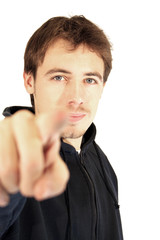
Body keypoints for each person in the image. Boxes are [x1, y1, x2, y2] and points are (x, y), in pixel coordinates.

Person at [0, 16, 123, 240]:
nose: (76, 97)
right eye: (59, 77)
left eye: (89, 80)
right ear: (29, 80)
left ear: (102, 87)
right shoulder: (10, 154)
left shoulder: (104, 166)